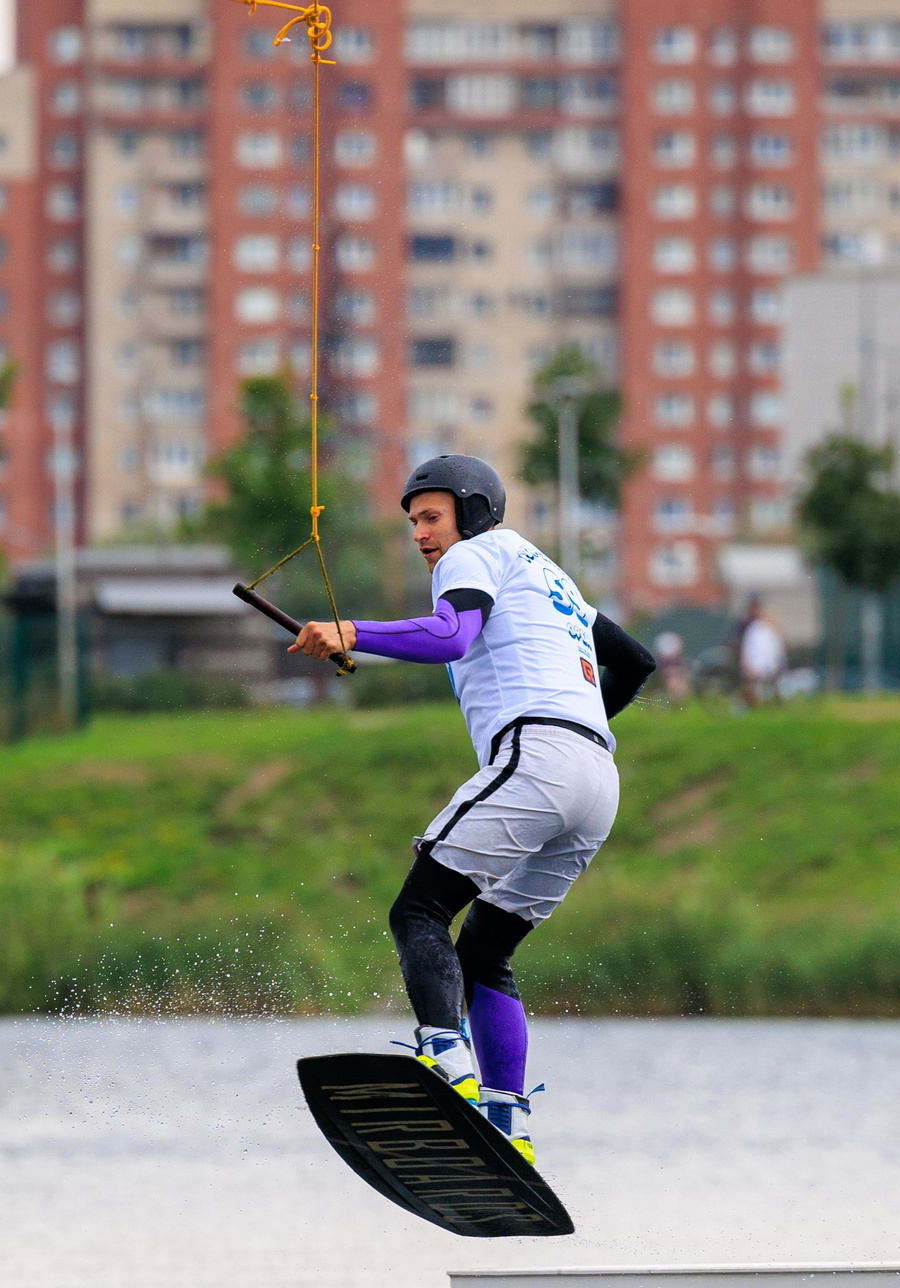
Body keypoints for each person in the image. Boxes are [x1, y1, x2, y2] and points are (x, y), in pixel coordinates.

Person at [288, 455, 654, 1164]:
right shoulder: (552, 578)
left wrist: (352, 632)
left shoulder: (473, 556)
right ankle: (507, 1123)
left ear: (474, 510)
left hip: (539, 759)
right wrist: (578, 723)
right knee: (485, 953)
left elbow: (451, 635)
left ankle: (445, 1065)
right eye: (413, 521)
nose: (421, 533)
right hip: (597, 781)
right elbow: (636, 661)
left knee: (418, 910)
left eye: (431, 516)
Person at [737, 598, 786, 707]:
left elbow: (775, 653)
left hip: (769, 668)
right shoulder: (755, 630)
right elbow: (750, 650)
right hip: (756, 667)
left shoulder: (772, 632)